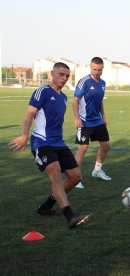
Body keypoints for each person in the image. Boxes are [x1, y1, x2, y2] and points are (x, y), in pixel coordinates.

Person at [8, 62, 92, 229]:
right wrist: (24, 135)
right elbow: (30, 114)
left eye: (67, 76)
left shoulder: (63, 97)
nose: (64, 78)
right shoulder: (42, 92)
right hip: (41, 142)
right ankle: (70, 217)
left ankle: (46, 207)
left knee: (76, 177)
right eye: (61, 74)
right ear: (51, 74)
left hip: (58, 143)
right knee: (55, 173)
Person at [72, 57, 111, 187]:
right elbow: (75, 100)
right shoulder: (84, 82)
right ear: (90, 67)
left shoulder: (103, 83)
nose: (97, 72)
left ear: (103, 68)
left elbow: (100, 102)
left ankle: (97, 170)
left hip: (98, 121)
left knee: (106, 146)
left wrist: (104, 116)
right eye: (94, 69)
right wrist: (77, 118)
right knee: (83, 148)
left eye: (99, 70)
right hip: (84, 121)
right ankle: (76, 178)